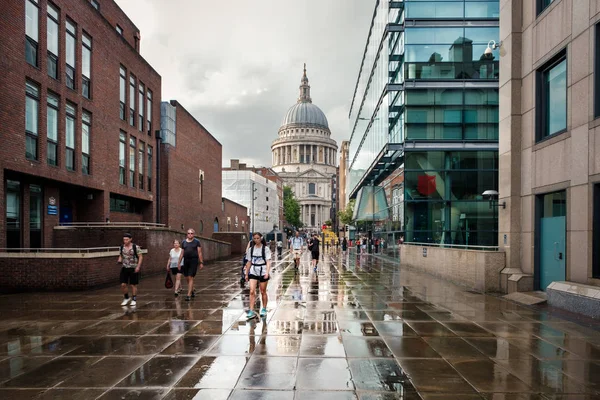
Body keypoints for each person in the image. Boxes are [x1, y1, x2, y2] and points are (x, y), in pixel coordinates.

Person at [244, 232, 272, 319]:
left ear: (261, 238)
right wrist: (246, 273)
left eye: (258, 238)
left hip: (263, 270)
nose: (256, 240)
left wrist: (267, 272)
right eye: (254, 238)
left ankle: (264, 308)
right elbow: (249, 262)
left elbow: (268, 261)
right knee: (252, 291)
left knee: (263, 291)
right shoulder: (251, 250)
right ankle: (251, 311)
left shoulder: (265, 249)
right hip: (253, 270)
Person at [178, 228, 204, 301]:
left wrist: (201, 262)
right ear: (187, 234)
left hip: (193, 260)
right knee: (187, 277)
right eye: (189, 233)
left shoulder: (197, 242)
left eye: (191, 233)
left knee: (190, 276)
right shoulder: (183, 242)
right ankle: (192, 289)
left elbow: (199, 252)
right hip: (186, 261)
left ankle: (188, 295)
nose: (190, 234)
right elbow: (182, 253)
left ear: (194, 234)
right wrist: (179, 262)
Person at [117, 233, 143, 307]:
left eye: (127, 239)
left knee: (133, 284)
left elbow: (140, 257)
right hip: (125, 267)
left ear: (130, 239)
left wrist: (138, 266)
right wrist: (119, 259)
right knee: (123, 284)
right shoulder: (122, 247)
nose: (125, 241)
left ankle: (134, 299)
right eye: (124, 239)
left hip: (133, 267)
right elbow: (121, 255)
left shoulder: (136, 247)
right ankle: (126, 297)